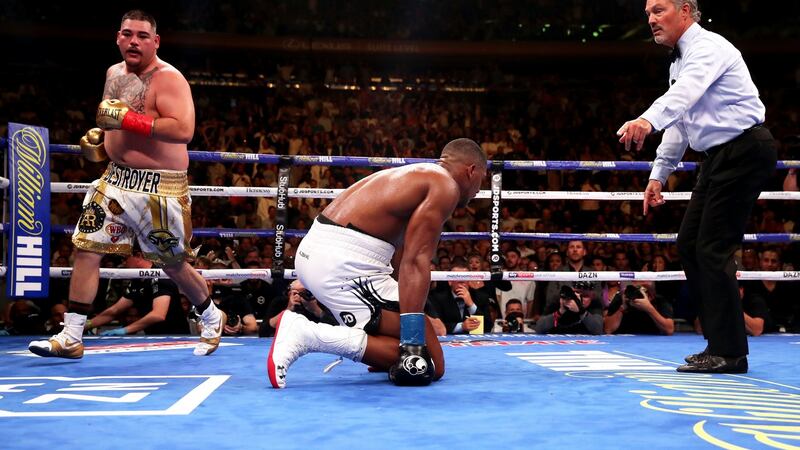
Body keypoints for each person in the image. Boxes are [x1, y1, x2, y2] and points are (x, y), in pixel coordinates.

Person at [29, 10, 226, 359]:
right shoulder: (113, 74)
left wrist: (128, 120)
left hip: (160, 188)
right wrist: (101, 144)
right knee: (87, 248)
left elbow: (183, 130)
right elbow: (111, 120)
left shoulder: (170, 79)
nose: (134, 41)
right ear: (118, 37)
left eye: (143, 36)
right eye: (128, 34)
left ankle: (211, 316)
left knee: (172, 262)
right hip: (116, 179)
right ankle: (72, 336)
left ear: (156, 41)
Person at [617, 0, 777, 373]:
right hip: (719, 157)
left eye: (659, 11)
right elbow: (681, 121)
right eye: (648, 14)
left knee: (712, 247)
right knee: (690, 244)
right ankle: (719, 343)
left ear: (685, 10)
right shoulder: (679, 60)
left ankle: (731, 352)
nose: (651, 20)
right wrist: (659, 173)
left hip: (743, 149)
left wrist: (646, 119)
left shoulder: (708, 48)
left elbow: (684, 95)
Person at [268, 138, 487, 388]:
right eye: (482, 177)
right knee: (429, 365)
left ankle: (376, 347)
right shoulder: (445, 186)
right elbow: (415, 262)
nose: (480, 189)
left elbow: (399, 257)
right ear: (471, 170)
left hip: (332, 254)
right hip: (344, 263)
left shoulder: (419, 178)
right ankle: (308, 335)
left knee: (411, 350)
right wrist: (412, 343)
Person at [85, 253, 188, 335]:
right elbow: (115, 310)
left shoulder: (160, 275)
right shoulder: (137, 281)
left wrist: (125, 330)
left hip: (175, 338)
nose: (124, 263)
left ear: (138, 256)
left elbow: (158, 314)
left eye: (126, 258)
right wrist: (87, 324)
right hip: (153, 338)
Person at [428, 261, 489, 335]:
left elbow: (488, 326)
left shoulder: (481, 297)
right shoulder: (438, 299)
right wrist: (461, 326)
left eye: (465, 277)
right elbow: (437, 327)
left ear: (469, 280)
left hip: (475, 342)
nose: (462, 281)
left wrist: (471, 305)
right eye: (457, 277)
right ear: (450, 281)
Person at [604, 282, 675, 336]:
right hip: (623, 341)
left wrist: (649, 308)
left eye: (643, 290)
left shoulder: (659, 301)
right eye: (637, 288)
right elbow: (608, 329)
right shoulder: (622, 297)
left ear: (651, 295)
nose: (638, 293)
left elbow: (669, 329)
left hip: (653, 342)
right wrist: (622, 307)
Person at [535, 283, 603, 335]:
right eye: (577, 293)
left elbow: (598, 330)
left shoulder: (595, 304)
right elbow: (539, 328)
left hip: (585, 344)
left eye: (585, 296)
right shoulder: (559, 300)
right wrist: (560, 312)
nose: (580, 298)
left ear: (592, 297)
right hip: (557, 343)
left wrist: (581, 311)